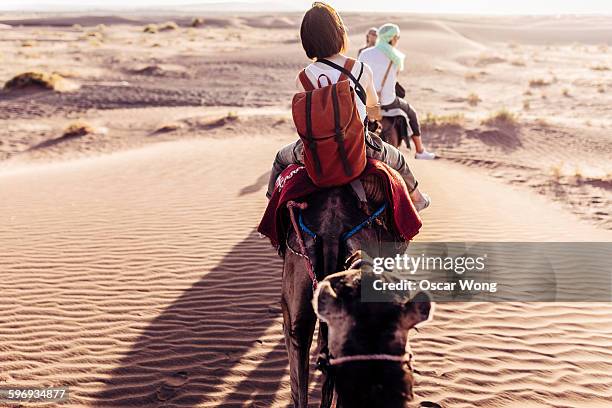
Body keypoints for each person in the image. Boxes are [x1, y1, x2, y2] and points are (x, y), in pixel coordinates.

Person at [266, 2, 430, 211]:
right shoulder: (361, 69)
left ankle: (272, 206)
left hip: (317, 150)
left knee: (280, 159)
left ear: (306, 39)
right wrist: (374, 119)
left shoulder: (303, 77)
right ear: (339, 33)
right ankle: (417, 199)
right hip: (358, 145)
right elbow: (372, 106)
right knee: (397, 159)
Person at [359, 23, 435, 160]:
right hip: (387, 101)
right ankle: (419, 150)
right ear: (392, 38)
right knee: (411, 112)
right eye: (397, 37)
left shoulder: (364, 53)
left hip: (366, 101)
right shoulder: (396, 57)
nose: (397, 41)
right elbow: (393, 79)